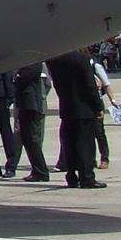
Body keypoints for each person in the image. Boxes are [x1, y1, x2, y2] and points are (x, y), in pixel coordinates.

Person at [46, 50, 104, 188]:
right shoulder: (81, 59)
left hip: (67, 106)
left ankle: (71, 176)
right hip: (84, 108)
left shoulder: (55, 59)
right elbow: (90, 85)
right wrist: (98, 106)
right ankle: (87, 177)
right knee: (86, 145)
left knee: (70, 144)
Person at [11, 62, 51, 181]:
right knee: (28, 138)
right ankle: (38, 170)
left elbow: (22, 80)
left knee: (31, 139)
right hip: (26, 104)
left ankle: (41, 171)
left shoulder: (32, 63)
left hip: (30, 104)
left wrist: (16, 77)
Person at [89, 48, 117, 169]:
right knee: (87, 133)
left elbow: (106, 84)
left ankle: (104, 158)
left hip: (96, 101)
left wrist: (113, 100)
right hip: (83, 102)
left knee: (99, 132)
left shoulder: (96, 66)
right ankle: (90, 159)